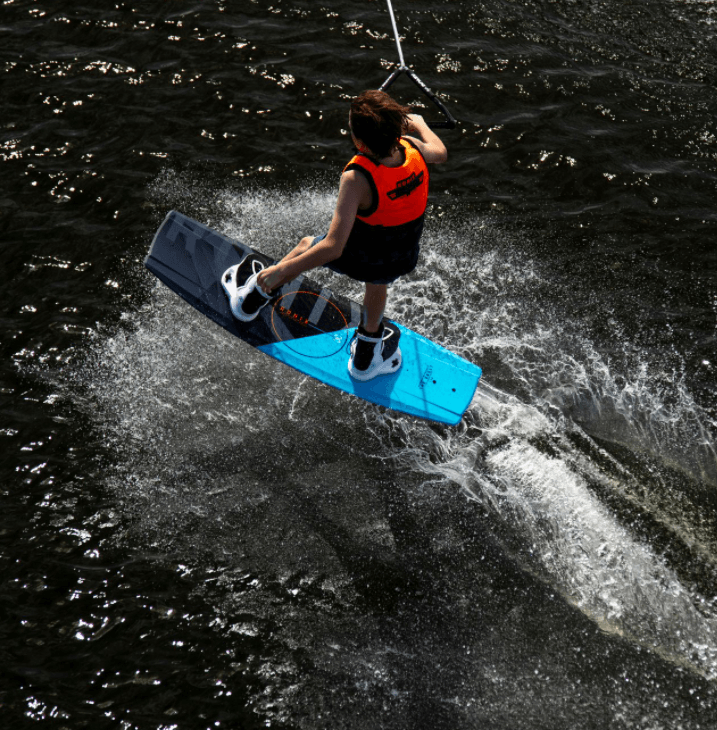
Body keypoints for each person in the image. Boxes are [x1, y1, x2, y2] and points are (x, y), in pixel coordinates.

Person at [224, 89, 447, 380]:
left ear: (358, 141)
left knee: (307, 244)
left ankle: (255, 295)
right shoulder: (415, 149)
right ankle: (366, 355)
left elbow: (333, 247)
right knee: (377, 283)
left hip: (363, 257)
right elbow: (440, 152)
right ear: (398, 127)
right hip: (400, 258)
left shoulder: (356, 178)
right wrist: (418, 122)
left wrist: (283, 271)